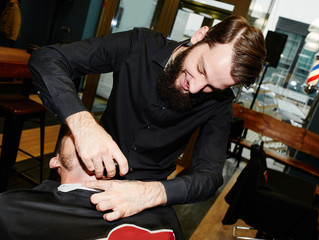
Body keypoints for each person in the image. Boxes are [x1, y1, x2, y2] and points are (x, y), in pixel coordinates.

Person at [28, 16, 266, 221]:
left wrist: (150, 193)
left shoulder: (219, 103)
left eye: (211, 87)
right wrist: (84, 124)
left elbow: (210, 176)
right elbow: (47, 58)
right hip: (88, 174)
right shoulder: (139, 45)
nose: (195, 88)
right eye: (201, 69)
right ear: (199, 36)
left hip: (143, 199)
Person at [0, 128, 183, 240]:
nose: (91, 140)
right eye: (76, 134)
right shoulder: (10, 208)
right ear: (55, 161)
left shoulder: (156, 206)